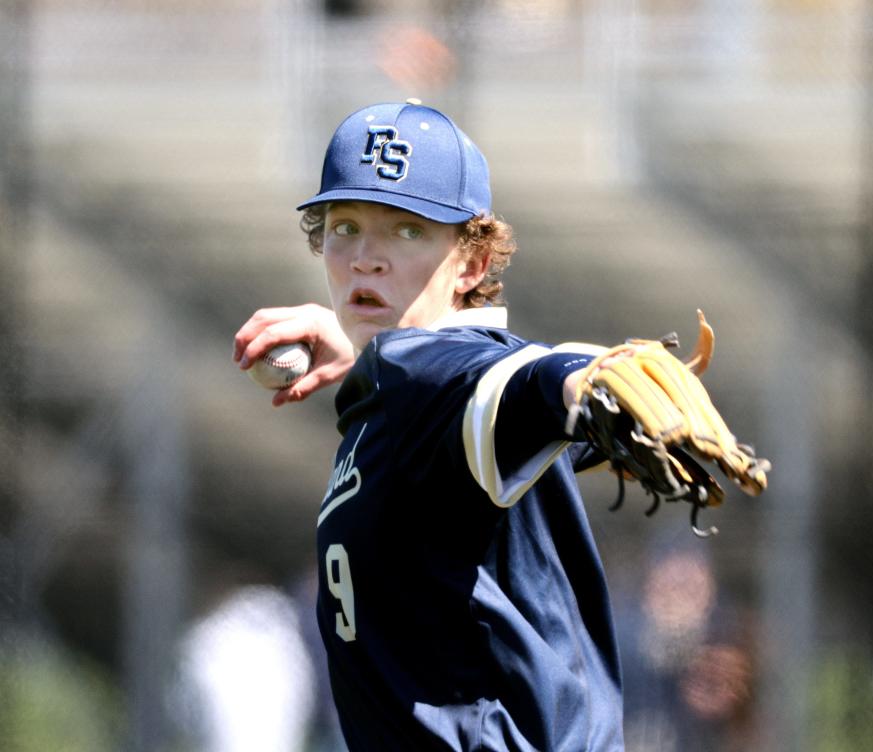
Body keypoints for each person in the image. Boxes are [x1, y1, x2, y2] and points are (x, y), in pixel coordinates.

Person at [232, 100, 740, 750]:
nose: (365, 257)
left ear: (471, 264)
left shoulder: (438, 372)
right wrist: (364, 352)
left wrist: (580, 378)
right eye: (345, 225)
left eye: (408, 230)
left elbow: (515, 382)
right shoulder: (399, 384)